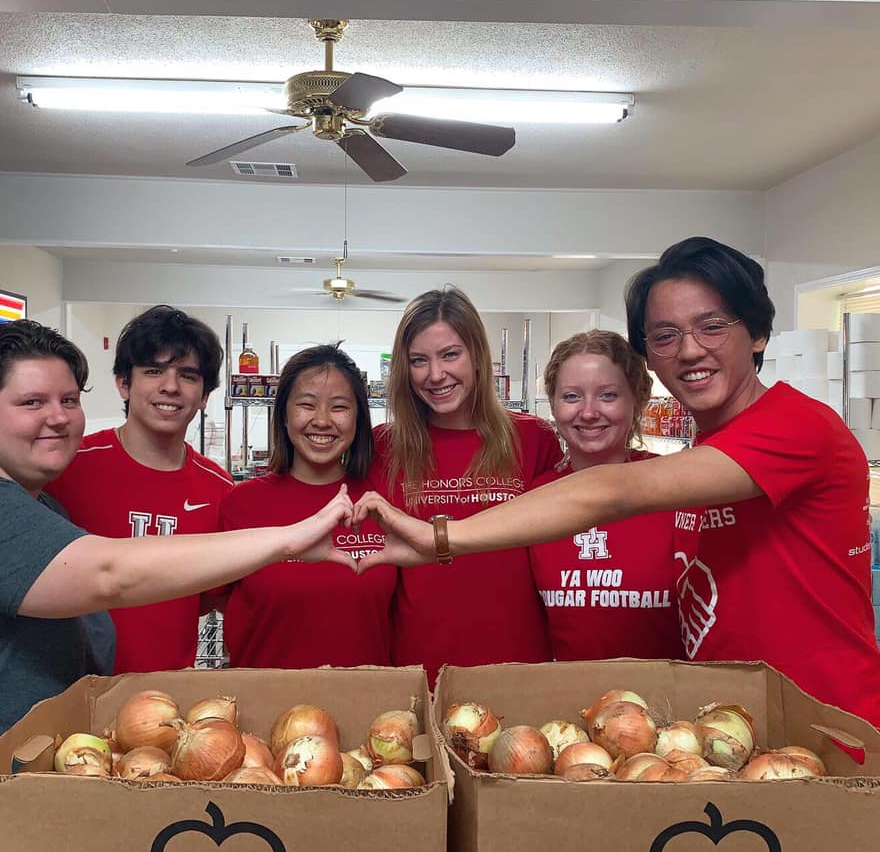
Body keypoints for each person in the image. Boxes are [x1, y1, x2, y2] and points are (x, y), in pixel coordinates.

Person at [0, 320, 354, 852]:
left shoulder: (43, 505)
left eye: (68, 400)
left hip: (60, 783)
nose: (57, 417)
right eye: (30, 402)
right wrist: (292, 536)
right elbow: (111, 575)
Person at [355, 237, 880, 727]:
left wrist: (439, 537)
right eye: (666, 336)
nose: (690, 350)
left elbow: (612, 491)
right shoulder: (709, 452)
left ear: (759, 332)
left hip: (827, 724)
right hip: (731, 723)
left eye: (712, 325)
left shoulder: (796, 426)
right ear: (649, 354)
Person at [371, 286, 560, 682]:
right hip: (418, 666)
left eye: (450, 355)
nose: (435, 374)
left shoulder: (532, 438)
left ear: (477, 355)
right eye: (419, 360)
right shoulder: (383, 446)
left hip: (517, 661)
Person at [46, 305, 234, 673]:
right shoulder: (67, 466)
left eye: (188, 375)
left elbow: (211, 598)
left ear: (206, 394)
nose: (170, 386)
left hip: (161, 701)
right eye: (153, 371)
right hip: (65, 691)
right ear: (123, 383)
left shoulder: (219, 490)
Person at [220, 345, 397, 667]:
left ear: (359, 418)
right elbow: (218, 600)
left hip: (370, 705)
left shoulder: (382, 503)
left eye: (340, 407)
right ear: (284, 415)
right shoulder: (241, 504)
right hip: (265, 706)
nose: (322, 420)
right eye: (306, 404)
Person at [530, 330, 683, 660]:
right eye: (571, 397)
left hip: (666, 702)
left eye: (608, 395)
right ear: (553, 405)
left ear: (637, 400)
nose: (587, 412)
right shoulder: (536, 498)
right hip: (564, 701)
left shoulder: (675, 487)